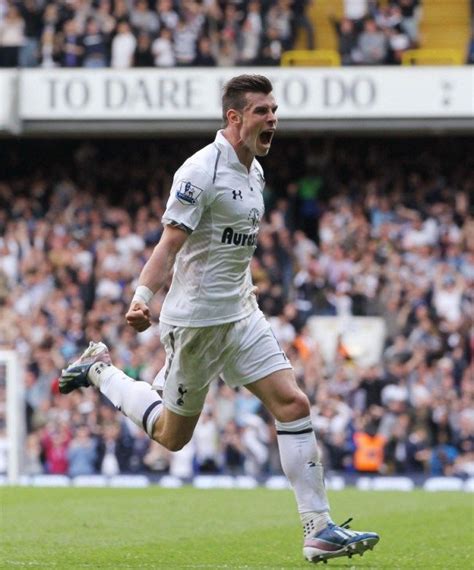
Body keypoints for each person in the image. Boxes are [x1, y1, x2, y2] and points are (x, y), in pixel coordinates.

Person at [60, 74, 379, 564]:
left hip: (241, 314)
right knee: (172, 436)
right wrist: (143, 297)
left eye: (274, 110)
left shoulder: (255, 172)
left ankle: (318, 530)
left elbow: (228, 248)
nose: (272, 119)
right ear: (234, 118)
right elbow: (170, 244)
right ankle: (100, 370)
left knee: (293, 404)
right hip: (197, 325)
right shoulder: (199, 172)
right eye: (261, 112)